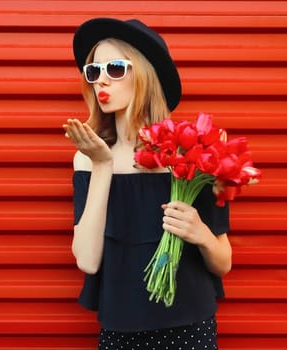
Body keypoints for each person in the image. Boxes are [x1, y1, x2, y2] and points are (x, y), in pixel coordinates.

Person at [63, 18, 232, 350]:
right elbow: (87, 260)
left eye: (114, 68)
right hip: (120, 329)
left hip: (190, 327)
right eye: (93, 72)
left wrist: (199, 232)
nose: (101, 82)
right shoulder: (90, 158)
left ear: (143, 73)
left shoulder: (193, 152)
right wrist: (102, 164)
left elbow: (223, 262)